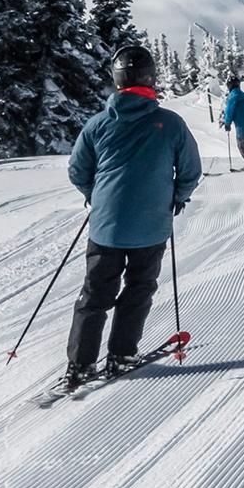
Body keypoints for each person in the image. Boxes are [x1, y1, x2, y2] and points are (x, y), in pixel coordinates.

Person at [63, 43, 203, 389]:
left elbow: (78, 171)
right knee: (138, 289)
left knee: (95, 293)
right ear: (150, 79)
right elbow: (190, 171)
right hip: (151, 226)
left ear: (117, 81)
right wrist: (176, 198)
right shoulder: (169, 123)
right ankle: (121, 355)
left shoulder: (97, 125)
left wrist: (96, 196)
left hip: (106, 226)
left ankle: (80, 365)